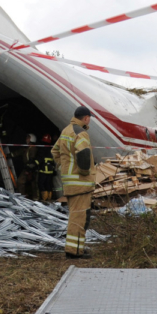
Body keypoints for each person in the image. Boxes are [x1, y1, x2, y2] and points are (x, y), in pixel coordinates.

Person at [53, 105, 95, 258]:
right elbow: (83, 155)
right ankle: (74, 251)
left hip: (69, 182)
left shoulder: (66, 131)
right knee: (79, 217)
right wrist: (84, 172)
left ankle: (76, 249)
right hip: (80, 183)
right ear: (86, 118)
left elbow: (55, 151)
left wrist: (65, 168)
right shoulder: (81, 133)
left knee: (75, 215)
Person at [37, 134, 56, 201]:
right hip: (50, 171)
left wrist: (33, 164)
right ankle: (49, 197)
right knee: (49, 184)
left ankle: (44, 198)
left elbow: (40, 159)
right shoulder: (52, 148)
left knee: (41, 183)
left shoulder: (42, 148)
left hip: (43, 170)